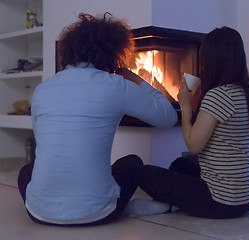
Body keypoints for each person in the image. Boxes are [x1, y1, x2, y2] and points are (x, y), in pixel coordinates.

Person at [17, 12, 177, 226]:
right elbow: (168, 117)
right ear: (113, 52)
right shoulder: (116, 85)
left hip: (38, 213)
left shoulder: (42, 89)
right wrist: (134, 78)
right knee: (132, 163)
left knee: (26, 172)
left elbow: (43, 141)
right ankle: (122, 207)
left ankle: (58, 202)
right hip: (99, 214)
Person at [137, 27, 249, 219]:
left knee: (143, 173)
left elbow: (194, 146)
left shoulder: (219, 95)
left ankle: (164, 204)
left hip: (220, 201)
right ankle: (168, 202)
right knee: (180, 165)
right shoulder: (245, 92)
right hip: (245, 198)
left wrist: (185, 105)